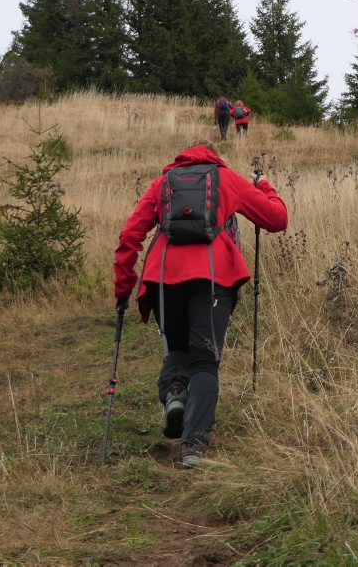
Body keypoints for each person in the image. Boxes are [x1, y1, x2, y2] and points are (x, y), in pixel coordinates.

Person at [113, 140, 288, 467]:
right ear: (213, 157)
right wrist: (264, 185)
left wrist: (124, 287)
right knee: (205, 359)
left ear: (181, 159)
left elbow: (129, 236)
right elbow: (277, 219)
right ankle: (193, 445)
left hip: (164, 279)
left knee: (177, 347)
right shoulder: (226, 179)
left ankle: (176, 395)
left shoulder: (162, 183)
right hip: (212, 279)